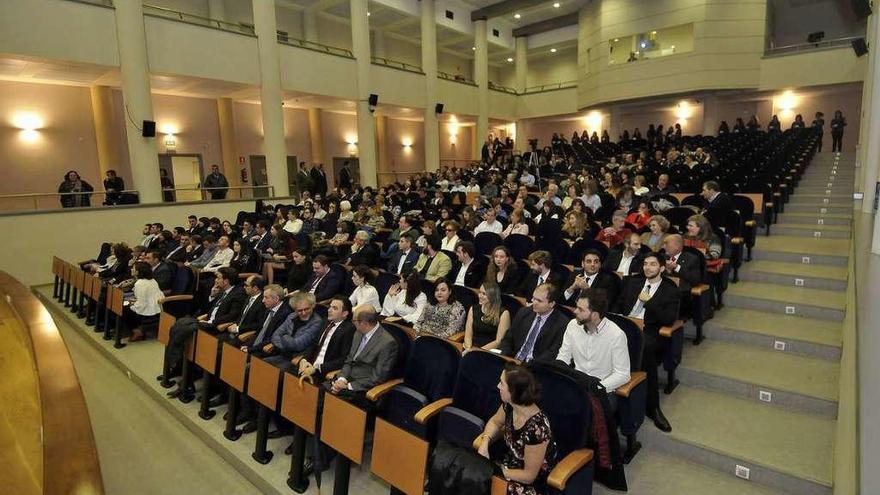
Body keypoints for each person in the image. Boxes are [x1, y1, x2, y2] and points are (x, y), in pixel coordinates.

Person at [614, 253, 679, 432]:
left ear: (662, 268)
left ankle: (653, 407)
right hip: (625, 325)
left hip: (648, 331)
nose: (647, 268)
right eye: (645, 264)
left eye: (652, 264)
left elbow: (668, 319)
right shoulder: (633, 283)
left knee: (646, 348)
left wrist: (649, 302)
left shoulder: (669, 288)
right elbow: (618, 304)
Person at [476, 364, 557, 495]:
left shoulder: (538, 427)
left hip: (529, 483)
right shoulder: (509, 406)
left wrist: (495, 472)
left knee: (480, 483)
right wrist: (485, 442)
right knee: (470, 474)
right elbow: (495, 422)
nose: (498, 386)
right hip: (509, 465)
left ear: (513, 391)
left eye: (502, 383)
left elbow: (529, 475)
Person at [556, 289, 630, 401]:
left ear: (595, 315)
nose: (575, 311)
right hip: (577, 383)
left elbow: (622, 374)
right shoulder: (572, 325)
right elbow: (564, 356)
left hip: (602, 389)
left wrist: (597, 388)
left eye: (580, 309)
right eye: (577, 307)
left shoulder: (616, 335)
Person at [501, 284, 568, 362]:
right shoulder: (524, 312)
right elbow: (509, 338)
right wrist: (504, 357)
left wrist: (531, 366)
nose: (534, 303)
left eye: (539, 301)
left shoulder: (561, 324)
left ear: (551, 304)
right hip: (513, 360)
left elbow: (552, 353)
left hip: (536, 366)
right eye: (533, 298)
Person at [297, 297, 356, 379]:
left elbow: (343, 359)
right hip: (309, 365)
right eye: (330, 307)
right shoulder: (325, 321)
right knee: (286, 373)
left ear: (344, 313)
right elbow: (313, 344)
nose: (329, 310)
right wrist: (304, 360)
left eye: (334, 308)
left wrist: (317, 368)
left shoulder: (349, 330)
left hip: (324, 371)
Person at [264, 292, 324, 371]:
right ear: (294, 309)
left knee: (272, 373)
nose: (303, 313)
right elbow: (275, 336)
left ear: (313, 306)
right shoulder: (291, 316)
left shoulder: (317, 322)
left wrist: (284, 337)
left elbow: (297, 345)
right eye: (299, 310)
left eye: (307, 309)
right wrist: (285, 346)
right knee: (257, 365)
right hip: (282, 354)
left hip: (297, 359)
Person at [123, 262, 164, 342]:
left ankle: (136, 331)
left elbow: (141, 305)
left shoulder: (139, 283)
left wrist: (132, 305)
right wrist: (135, 302)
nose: (132, 269)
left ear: (137, 272)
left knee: (123, 309)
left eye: (133, 269)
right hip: (157, 310)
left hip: (148, 314)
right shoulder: (152, 280)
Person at [464, 282, 511, 350]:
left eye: (484, 294)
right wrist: (468, 349)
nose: (479, 295)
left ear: (492, 296)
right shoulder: (473, 309)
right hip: (471, 347)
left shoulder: (504, 313)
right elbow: (468, 334)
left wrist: (477, 351)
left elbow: (498, 341)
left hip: (490, 351)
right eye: (480, 292)